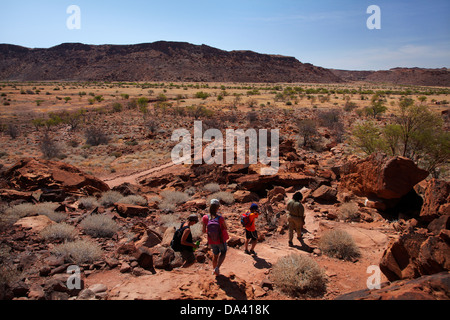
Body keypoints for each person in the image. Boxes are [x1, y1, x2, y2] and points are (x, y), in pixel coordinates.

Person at [202, 199, 228, 276]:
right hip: (220, 239)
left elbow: (203, 230)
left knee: (215, 254)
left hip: (211, 240)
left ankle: (215, 271)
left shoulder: (205, 217)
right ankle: (217, 268)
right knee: (223, 252)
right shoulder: (220, 218)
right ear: (217, 207)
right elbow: (225, 228)